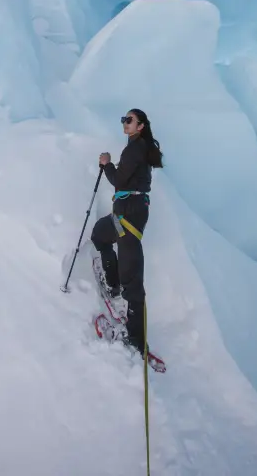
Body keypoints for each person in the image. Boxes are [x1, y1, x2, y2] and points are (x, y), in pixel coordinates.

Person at [91, 108, 163, 355]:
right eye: (123, 119)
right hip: (127, 212)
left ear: (140, 125)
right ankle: (113, 285)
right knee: (100, 235)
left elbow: (119, 180)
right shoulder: (139, 147)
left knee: (132, 277)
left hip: (128, 213)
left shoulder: (136, 148)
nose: (125, 122)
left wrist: (106, 164)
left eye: (129, 120)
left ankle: (136, 339)